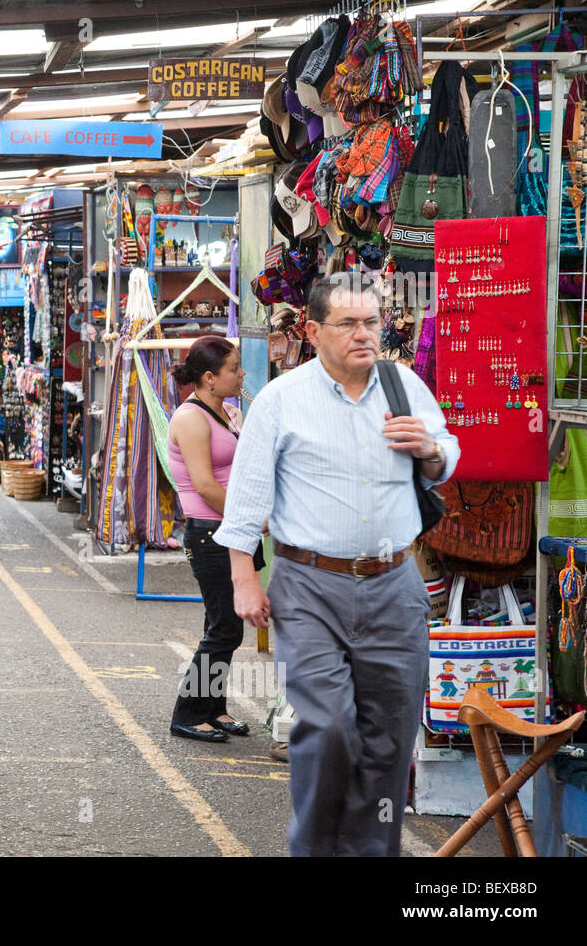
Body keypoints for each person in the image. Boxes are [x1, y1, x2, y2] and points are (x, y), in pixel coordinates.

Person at [214, 273, 459, 857]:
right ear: (313, 330)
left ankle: (369, 852)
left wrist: (428, 449)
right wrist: (244, 578)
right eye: (348, 323)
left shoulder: (405, 387)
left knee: (388, 740)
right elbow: (247, 497)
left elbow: (446, 458)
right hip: (309, 586)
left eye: (372, 322)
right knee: (326, 729)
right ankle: (315, 848)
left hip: (396, 586)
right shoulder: (281, 399)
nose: (363, 335)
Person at [166, 336, 258, 744]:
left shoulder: (230, 412)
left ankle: (213, 708)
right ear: (209, 377)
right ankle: (187, 712)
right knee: (224, 629)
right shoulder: (190, 418)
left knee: (222, 623)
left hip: (233, 529)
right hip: (209, 532)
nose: (241, 375)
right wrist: (251, 517)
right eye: (234, 369)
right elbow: (204, 484)